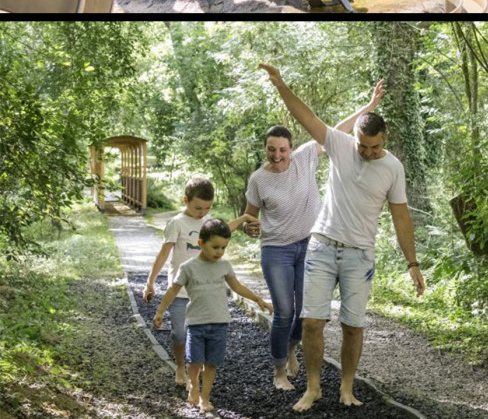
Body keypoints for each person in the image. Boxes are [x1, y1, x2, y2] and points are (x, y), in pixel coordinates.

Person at [258, 64, 425, 413]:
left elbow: (400, 215)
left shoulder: (393, 167)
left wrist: (412, 263)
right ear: (357, 139)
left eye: (374, 147)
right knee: (312, 322)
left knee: (353, 325)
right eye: (363, 146)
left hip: (360, 255)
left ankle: (347, 387)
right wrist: (281, 85)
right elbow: (307, 118)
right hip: (322, 244)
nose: (367, 153)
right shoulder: (340, 144)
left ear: (385, 139)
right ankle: (314, 387)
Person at [241, 80, 386, 392]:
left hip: (309, 246)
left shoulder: (307, 156)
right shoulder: (258, 179)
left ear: (291, 149)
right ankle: (279, 370)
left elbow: (336, 131)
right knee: (284, 311)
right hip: (276, 251)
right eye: (271, 149)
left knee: (306, 314)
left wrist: (368, 108)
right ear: (265, 149)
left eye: (282, 149)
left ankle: (291, 348)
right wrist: (248, 225)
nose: (277, 155)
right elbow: (249, 216)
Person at [153, 218, 272, 413]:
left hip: (219, 324)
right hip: (196, 324)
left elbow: (237, 287)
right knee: (194, 361)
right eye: (215, 246)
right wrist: (160, 311)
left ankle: (205, 398)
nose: (219, 252)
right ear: (201, 243)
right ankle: (193, 386)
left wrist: (258, 299)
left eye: (224, 248)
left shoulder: (224, 266)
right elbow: (173, 291)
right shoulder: (188, 268)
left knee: (211, 363)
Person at [141, 176, 247, 387]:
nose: (203, 213)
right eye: (198, 208)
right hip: (180, 290)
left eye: (207, 208)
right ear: (185, 200)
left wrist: (244, 218)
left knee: (200, 334)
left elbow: (225, 227)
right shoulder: (176, 224)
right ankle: (180, 366)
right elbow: (163, 255)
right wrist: (150, 282)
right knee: (179, 334)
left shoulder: (208, 223)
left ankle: (195, 374)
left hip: (204, 291)